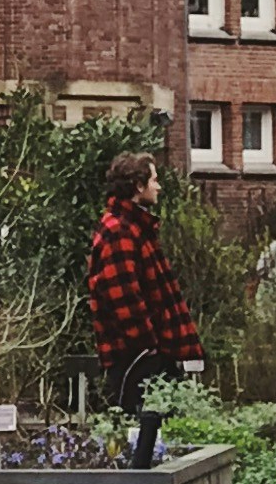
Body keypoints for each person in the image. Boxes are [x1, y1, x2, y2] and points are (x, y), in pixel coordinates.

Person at [84, 148, 199, 407]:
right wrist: (149, 347)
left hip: (148, 356)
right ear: (138, 186)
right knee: (144, 432)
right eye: (154, 180)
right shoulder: (120, 232)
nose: (158, 187)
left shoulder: (135, 228)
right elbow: (124, 300)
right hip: (137, 361)